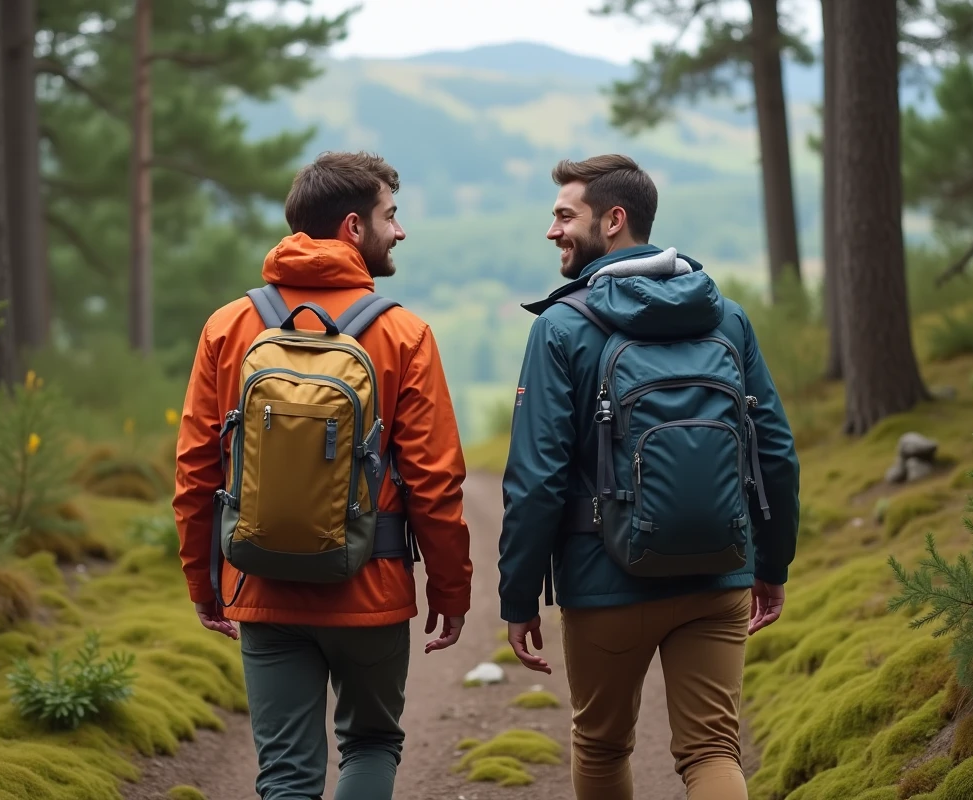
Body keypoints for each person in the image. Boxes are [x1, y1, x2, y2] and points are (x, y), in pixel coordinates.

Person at [497, 154, 800, 800]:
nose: (552, 231)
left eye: (564, 215)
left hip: (605, 579)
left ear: (613, 220)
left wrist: (519, 597)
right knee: (714, 751)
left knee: (603, 746)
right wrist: (771, 566)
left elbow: (536, 480)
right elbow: (774, 450)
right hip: (719, 570)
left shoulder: (561, 326)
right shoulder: (726, 316)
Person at [173, 151, 473, 800]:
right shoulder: (403, 334)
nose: (400, 231)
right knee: (370, 744)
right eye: (390, 216)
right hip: (371, 585)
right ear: (351, 228)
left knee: (286, 774)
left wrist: (205, 579)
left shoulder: (229, 326)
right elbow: (435, 482)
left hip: (262, 581)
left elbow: (197, 469)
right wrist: (451, 591)